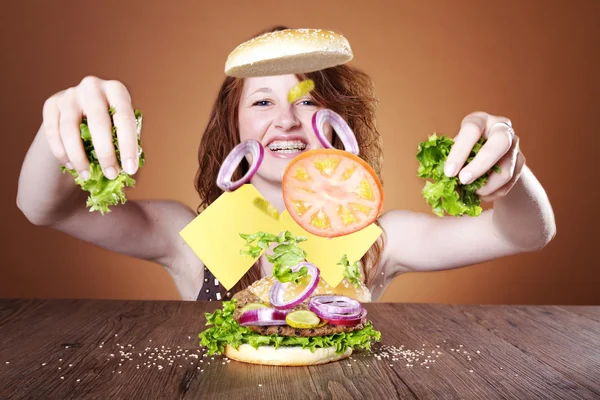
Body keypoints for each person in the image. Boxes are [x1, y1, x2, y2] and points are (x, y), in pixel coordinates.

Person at [16, 26, 556, 302]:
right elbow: (42, 208)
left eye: (309, 102)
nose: (289, 121)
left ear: (338, 126)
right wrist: (61, 128)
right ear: (234, 128)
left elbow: (526, 234)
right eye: (262, 101)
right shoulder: (190, 236)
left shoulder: (378, 241)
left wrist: (509, 172)